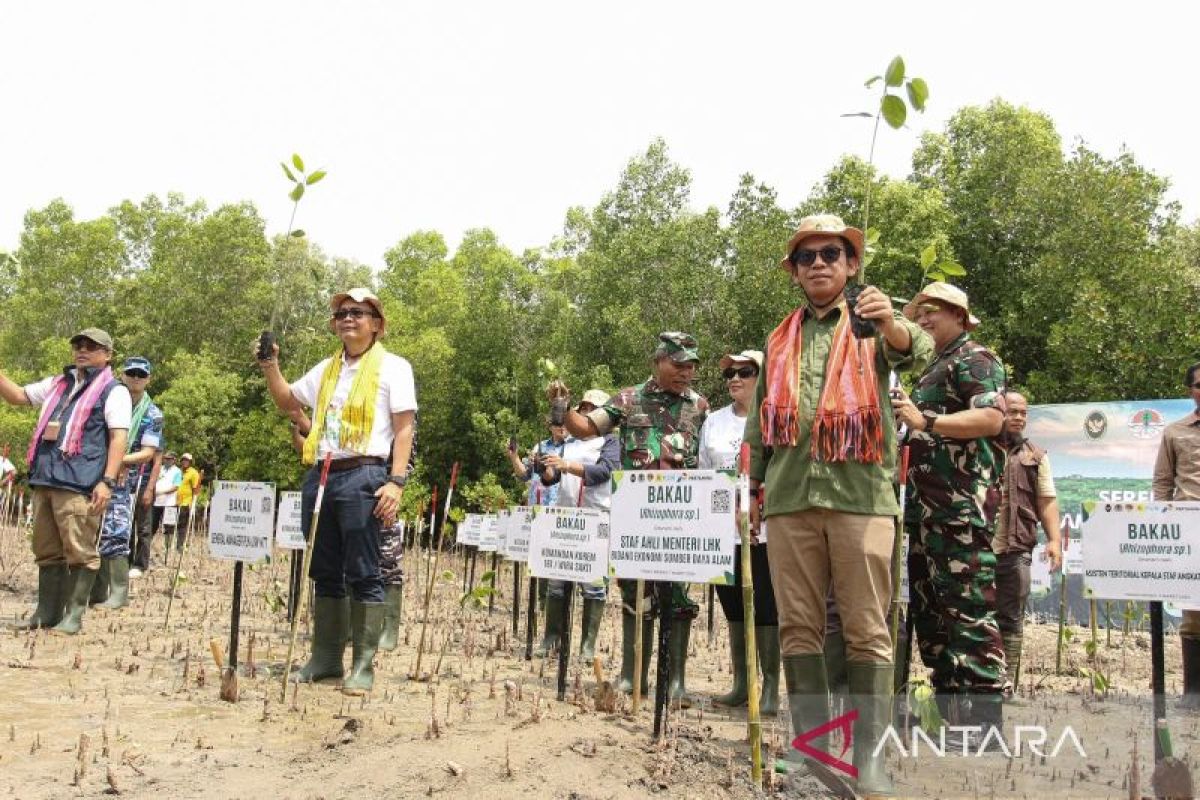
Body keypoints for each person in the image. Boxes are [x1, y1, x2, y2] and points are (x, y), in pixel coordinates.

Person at [743, 215, 932, 794]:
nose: (819, 263)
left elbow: (917, 349)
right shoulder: (777, 341)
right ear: (794, 272)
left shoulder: (874, 325)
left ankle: (868, 761)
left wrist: (891, 323)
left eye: (832, 253)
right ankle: (811, 751)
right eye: (807, 257)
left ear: (851, 265)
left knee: (866, 628)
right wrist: (753, 491)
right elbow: (757, 431)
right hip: (791, 498)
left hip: (861, 499)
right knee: (798, 625)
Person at [258, 287, 417, 696]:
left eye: (359, 312)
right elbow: (286, 400)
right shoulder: (326, 369)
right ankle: (326, 657)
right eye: (343, 312)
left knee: (364, 570)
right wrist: (270, 364)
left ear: (377, 324)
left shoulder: (395, 367)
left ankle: (362, 664)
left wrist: (395, 483)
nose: (349, 318)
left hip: (365, 474)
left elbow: (404, 429)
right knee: (323, 568)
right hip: (322, 475)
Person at [561, 332, 709, 707]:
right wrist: (560, 407)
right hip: (634, 515)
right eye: (678, 364)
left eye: (691, 365)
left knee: (677, 596)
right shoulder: (627, 400)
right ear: (657, 362)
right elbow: (583, 428)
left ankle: (676, 683)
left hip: (681, 518)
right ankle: (632, 676)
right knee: (635, 592)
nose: (686, 372)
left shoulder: (700, 405)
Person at [891, 281, 1008, 747]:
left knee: (969, 617)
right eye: (917, 314)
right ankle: (950, 721)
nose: (922, 319)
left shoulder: (975, 358)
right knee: (932, 617)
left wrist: (927, 421)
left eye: (932, 312)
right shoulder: (930, 366)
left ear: (960, 316)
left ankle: (982, 728)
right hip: (923, 512)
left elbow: (991, 419)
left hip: (958, 511)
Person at [0, 328, 131, 634]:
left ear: (108, 354)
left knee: (80, 550)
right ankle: (46, 613)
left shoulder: (115, 390)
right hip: (46, 478)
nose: (82, 350)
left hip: (80, 483)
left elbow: (118, 437)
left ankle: (73, 616)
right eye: (78, 345)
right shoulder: (58, 383)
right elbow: (18, 396)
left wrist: (107, 482)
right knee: (46, 550)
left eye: (91, 346)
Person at [700, 350, 781, 716]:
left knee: (766, 609)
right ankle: (741, 684)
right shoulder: (713, 422)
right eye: (729, 373)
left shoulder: (776, 416)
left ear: (762, 376)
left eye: (744, 372)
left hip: (764, 531)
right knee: (733, 607)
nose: (734, 378)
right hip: (722, 532)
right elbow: (704, 475)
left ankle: (771, 690)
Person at [533, 389, 619, 661]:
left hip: (596, 520)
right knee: (557, 584)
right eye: (583, 408)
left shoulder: (611, 442)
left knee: (593, 586)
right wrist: (546, 470)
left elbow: (605, 472)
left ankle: (587, 647)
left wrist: (568, 466)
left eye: (594, 410)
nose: (587, 414)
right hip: (566, 519)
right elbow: (552, 479)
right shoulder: (569, 442)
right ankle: (550, 639)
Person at [993, 391, 1062, 698]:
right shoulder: (975, 446)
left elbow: (1046, 501)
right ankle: (974, 684)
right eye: (1012, 411)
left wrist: (1055, 540)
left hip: (1015, 548)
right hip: (975, 548)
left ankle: (1006, 686)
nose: (1018, 417)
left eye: (1023, 412)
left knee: (1011, 618)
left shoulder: (1035, 455)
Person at [92, 357, 162, 608]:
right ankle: (96, 590)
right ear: (122, 375)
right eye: (131, 373)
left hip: (125, 481)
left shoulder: (152, 414)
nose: (135, 378)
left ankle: (118, 593)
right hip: (96, 474)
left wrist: (119, 459)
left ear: (148, 379)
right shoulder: (106, 400)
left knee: (117, 532)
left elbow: (148, 452)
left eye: (140, 375)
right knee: (93, 531)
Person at [1153, 361, 1200, 708]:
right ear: (1190, 390)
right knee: (1194, 617)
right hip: (1190, 532)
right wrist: (1164, 523)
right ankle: (1193, 695)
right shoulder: (1175, 432)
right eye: (1199, 384)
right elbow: (1163, 484)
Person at [506, 419, 567, 507]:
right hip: (535, 507)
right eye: (559, 424)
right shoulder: (539, 446)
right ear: (550, 426)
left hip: (560, 509)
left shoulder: (573, 448)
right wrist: (514, 457)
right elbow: (524, 476)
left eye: (566, 423)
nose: (563, 427)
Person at [130, 448, 164, 576]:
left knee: (144, 528)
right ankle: (126, 560)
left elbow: (157, 464)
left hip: (144, 486)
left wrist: (149, 489)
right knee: (128, 527)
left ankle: (140, 564)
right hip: (128, 485)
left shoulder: (154, 430)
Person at [151, 452, 183, 554]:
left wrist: (163, 492)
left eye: (170, 459)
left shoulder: (177, 471)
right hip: (156, 502)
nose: (167, 460)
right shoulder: (159, 468)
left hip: (170, 503)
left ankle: (167, 549)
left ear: (174, 460)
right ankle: (148, 545)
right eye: (166, 458)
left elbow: (176, 486)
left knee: (169, 527)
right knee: (152, 525)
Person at [174, 453, 201, 550]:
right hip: (175, 502)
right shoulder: (178, 471)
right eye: (183, 460)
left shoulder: (193, 473)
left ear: (190, 462)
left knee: (182, 525)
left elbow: (196, 488)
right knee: (171, 524)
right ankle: (171, 545)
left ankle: (180, 545)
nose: (185, 462)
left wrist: (193, 503)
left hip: (186, 502)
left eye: (187, 460)